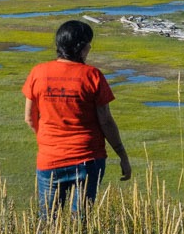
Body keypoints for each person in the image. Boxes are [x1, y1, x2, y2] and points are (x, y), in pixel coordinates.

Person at [22, 18, 131, 212]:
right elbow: (105, 121)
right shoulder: (92, 75)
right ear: (82, 47)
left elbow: (30, 118)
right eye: (89, 44)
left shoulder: (38, 73)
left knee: (47, 223)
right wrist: (122, 154)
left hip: (50, 159)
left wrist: (50, 142)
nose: (90, 48)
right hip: (87, 158)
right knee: (81, 222)